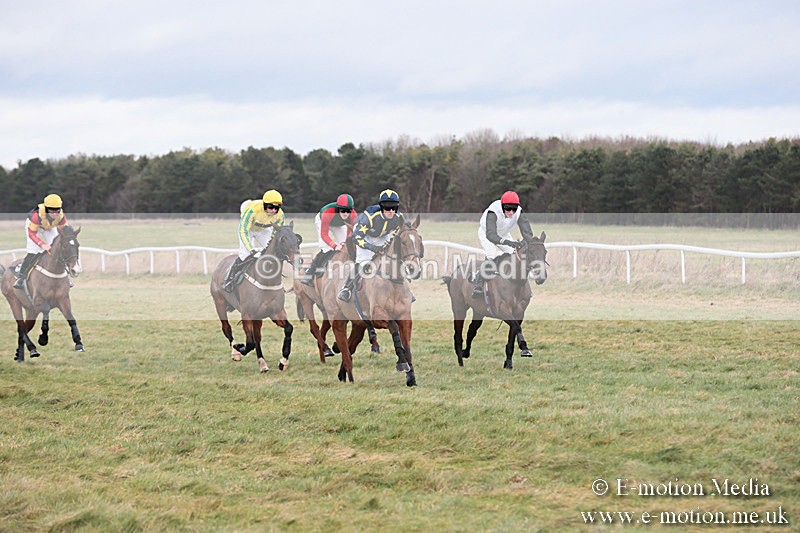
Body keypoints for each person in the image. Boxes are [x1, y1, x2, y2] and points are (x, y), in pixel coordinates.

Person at [338, 189, 404, 302]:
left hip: (383, 236)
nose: (391, 211)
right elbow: (356, 237)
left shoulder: (399, 217)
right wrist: (372, 248)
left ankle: (404, 289)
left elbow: (402, 231)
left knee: (394, 261)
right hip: (365, 236)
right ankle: (346, 288)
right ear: (381, 206)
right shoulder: (369, 216)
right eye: (387, 207)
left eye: (394, 207)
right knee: (363, 263)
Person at [473, 190, 534, 298]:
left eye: (514, 209)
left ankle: (520, 286)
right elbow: (491, 235)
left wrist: (524, 242)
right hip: (486, 233)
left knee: (514, 255)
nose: (511, 212)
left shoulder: (519, 212)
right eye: (508, 208)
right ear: (502, 206)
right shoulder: (493, 211)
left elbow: (528, 233)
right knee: (492, 255)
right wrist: (508, 242)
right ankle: (478, 283)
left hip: (503, 233)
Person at [222, 189, 285, 292]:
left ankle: (275, 281)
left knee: (275, 252)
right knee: (244, 255)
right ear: (264, 205)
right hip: (248, 230)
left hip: (263, 230)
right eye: (270, 207)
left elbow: (276, 234)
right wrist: (252, 250)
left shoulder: (280, 216)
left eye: (277, 208)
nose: (273, 210)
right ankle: (229, 279)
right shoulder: (252, 210)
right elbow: (243, 232)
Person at [14, 194, 68, 290]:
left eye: (57, 210)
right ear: (46, 208)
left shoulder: (61, 216)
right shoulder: (36, 216)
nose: (55, 214)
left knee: (57, 249)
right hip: (34, 228)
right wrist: (42, 245)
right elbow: (32, 234)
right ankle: (21, 277)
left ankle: (64, 275)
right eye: (52, 210)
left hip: (49, 227)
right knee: (33, 252)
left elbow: (65, 231)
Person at [301, 193, 357, 285]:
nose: (346, 213)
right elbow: (324, 234)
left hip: (339, 225)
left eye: (348, 210)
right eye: (343, 210)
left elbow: (350, 234)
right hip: (322, 221)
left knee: (345, 247)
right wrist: (334, 246)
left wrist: (345, 243)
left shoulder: (353, 216)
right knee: (325, 248)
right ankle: (309, 273)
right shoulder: (328, 213)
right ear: (338, 209)